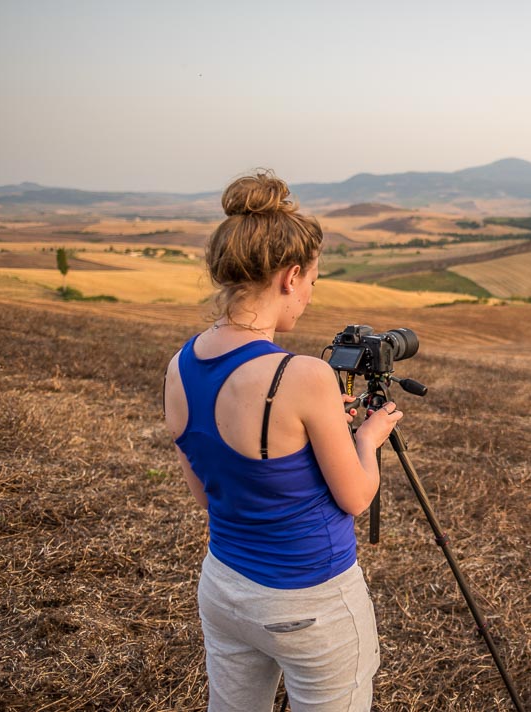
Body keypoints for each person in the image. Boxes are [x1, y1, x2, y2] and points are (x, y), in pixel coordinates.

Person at [163, 171, 401, 711]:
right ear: (290, 277)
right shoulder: (302, 377)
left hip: (224, 587)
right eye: (313, 281)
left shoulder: (179, 366)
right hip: (311, 602)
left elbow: (207, 493)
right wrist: (368, 436)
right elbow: (357, 497)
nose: (310, 298)